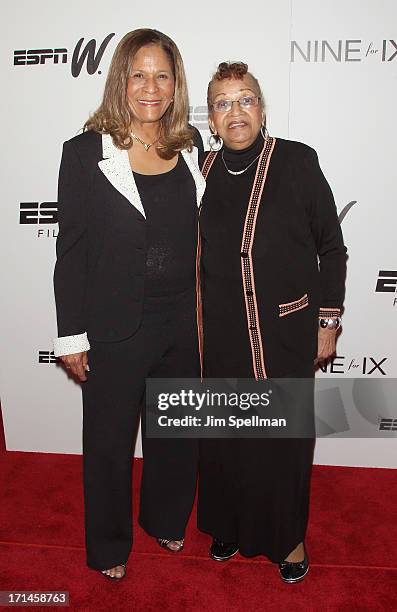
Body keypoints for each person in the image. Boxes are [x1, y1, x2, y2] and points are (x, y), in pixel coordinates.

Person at [53, 28, 205, 580]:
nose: (150, 86)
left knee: (177, 435)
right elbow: (70, 253)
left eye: (162, 74)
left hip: (182, 322)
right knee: (109, 446)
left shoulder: (190, 146)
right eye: (139, 73)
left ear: (175, 83)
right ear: (121, 78)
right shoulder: (85, 153)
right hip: (115, 327)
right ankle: (109, 548)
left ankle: (165, 517)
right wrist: (72, 335)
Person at [197, 61, 347, 583]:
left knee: (281, 442)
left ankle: (287, 538)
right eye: (222, 103)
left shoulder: (297, 162)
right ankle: (228, 525)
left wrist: (327, 320)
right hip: (219, 335)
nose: (235, 112)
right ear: (211, 119)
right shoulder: (204, 171)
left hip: (283, 333)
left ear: (260, 107)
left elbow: (332, 246)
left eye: (245, 100)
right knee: (226, 438)